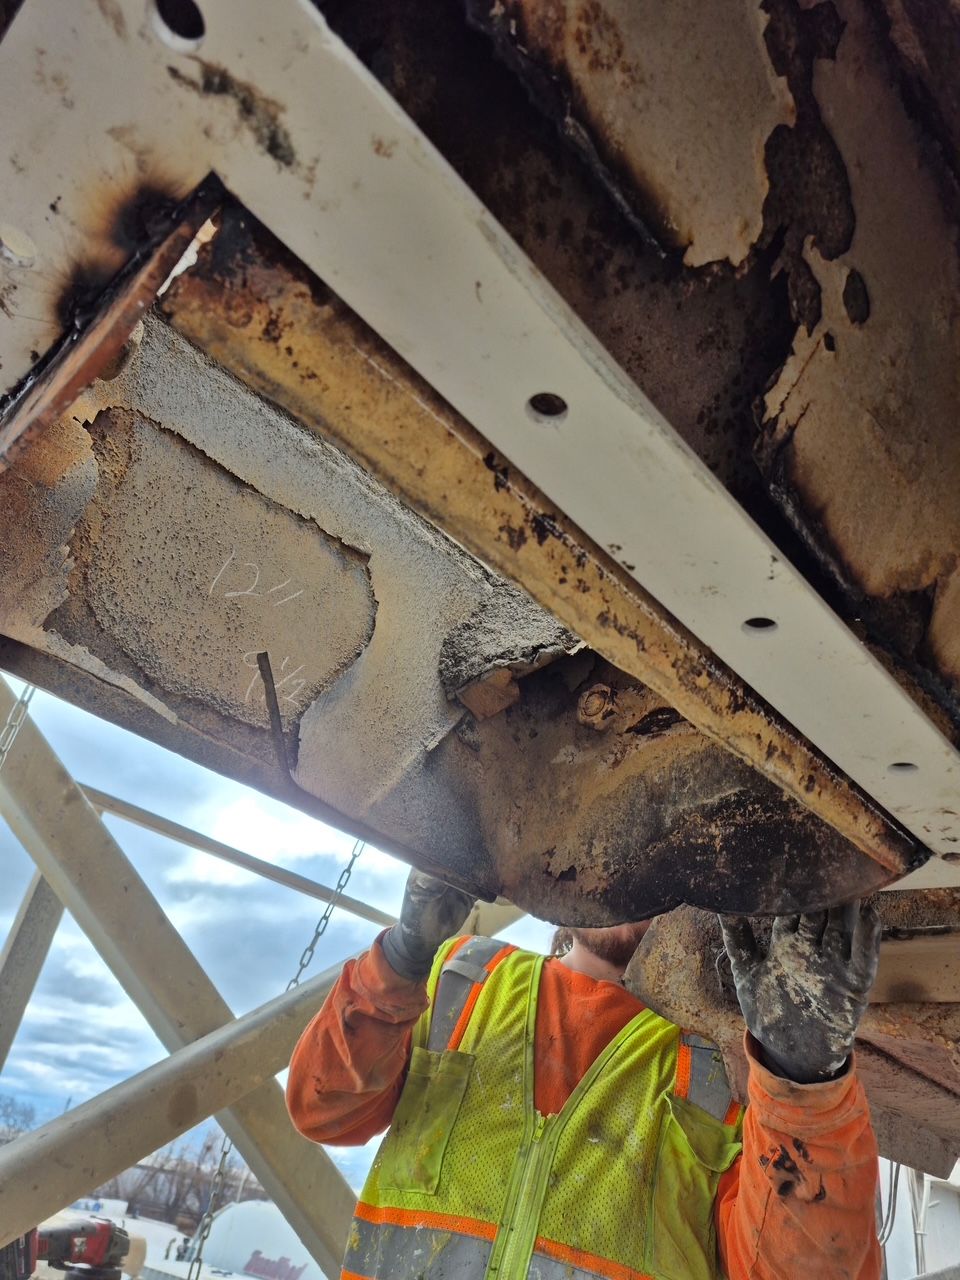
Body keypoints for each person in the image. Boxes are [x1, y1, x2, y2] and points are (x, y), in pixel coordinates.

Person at [287, 870, 882, 1279]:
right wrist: (403, 957)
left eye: (650, 871)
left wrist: (802, 1083)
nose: (624, 887)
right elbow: (323, 1108)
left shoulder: (720, 1074)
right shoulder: (460, 977)